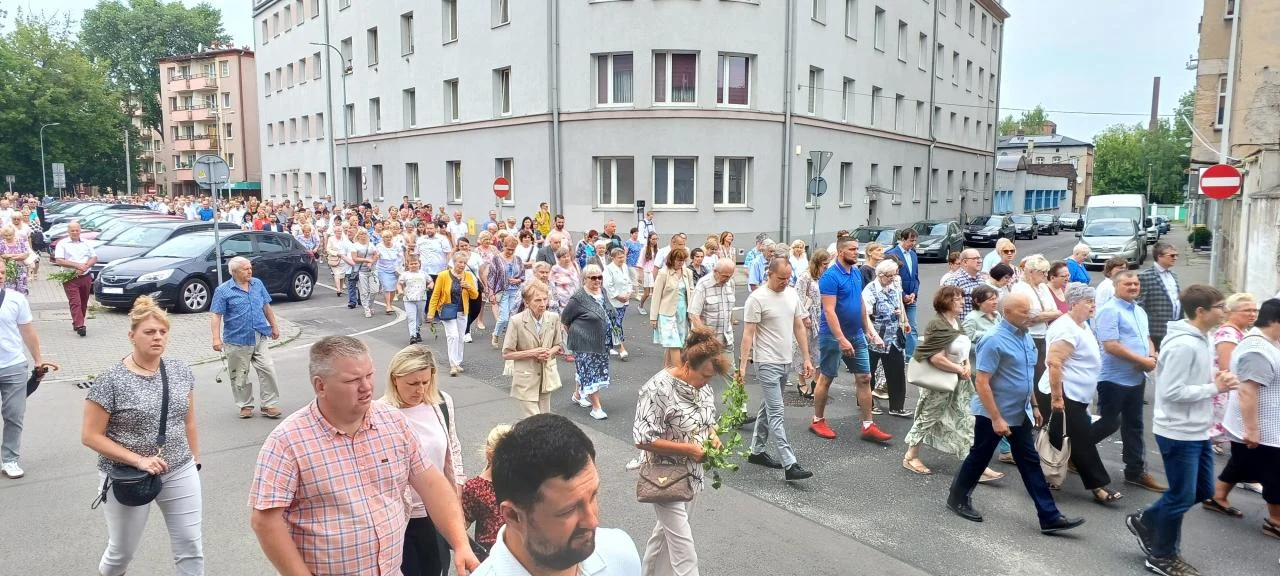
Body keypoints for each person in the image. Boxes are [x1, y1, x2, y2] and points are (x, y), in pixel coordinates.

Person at [250, 336, 479, 576]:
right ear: (320, 386)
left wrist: (460, 543)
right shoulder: (287, 442)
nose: (366, 387)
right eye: (352, 380)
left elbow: (432, 484)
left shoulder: (394, 422)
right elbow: (265, 521)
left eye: (369, 375)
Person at [946, 291, 1086, 534]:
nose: (1030, 315)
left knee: (1030, 462)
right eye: (1024, 311)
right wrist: (996, 418)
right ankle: (957, 498)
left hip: (1020, 413)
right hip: (993, 414)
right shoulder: (993, 339)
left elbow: (1026, 376)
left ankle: (1049, 516)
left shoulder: (1025, 336)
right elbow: (982, 382)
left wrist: (1034, 405)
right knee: (979, 457)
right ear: (1007, 312)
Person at [82, 296, 202, 575]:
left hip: (179, 468)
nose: (157, 337)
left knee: (190, 546)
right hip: (127, 475)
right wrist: (138, 460)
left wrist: (194, 461)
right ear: (132, 336)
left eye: (162, 331)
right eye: (149, 332)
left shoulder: (180, 371)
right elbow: (90, 436)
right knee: (121, 552)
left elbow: (189, 422)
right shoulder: (110, 380)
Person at [1126, 285, 1237, 576]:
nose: (1224, 311)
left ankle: (1147, 519)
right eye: (1220, 307)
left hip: (1198, 429)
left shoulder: (1205, 337)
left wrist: (1216, 379)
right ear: (1201, 311)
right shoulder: (1183, 345)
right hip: (1177, 431)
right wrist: (1215, 388)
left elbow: (1194, 379)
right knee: (1180, 497)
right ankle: (1162, 556)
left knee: (1202, 490)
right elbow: (1171, 391)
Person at [475, 413, 640, 576]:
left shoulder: (620, 555)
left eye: (593, 496)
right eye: (568, 510)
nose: (592, 521)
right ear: (513, 516)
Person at [633, 327, 730, 575]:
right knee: (683, 548)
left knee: (665, 537)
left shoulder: (703, 388)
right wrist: (688, 449)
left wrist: (713, 437)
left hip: (691, 473)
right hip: (663, 475)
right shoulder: (657, 388)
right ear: (687, 367)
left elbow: (707, 422)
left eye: (711, 377)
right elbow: (642, 438)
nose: (708, 382)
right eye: (705, 376)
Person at [382, 345, 467, 576]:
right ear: (395, 379)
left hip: (436, 514)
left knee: (436, 570)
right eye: (412, 383)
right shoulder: (380, 413)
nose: (420, 390)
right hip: (400, 519)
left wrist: (457, 490)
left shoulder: (442, 403)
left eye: (425, 382)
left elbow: (453, 447)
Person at [903, 287, 1000, 481]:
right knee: (928, 417)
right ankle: (910, 456)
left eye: (962, 298)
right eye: (957, 299)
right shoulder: (937, 324)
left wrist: (966, 365)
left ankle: (976, 466)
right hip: (940, 382)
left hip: (958, 380)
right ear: (946, 301)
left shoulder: (956, 322)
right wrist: (959, 369)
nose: (962, 302)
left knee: (966, 419)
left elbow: (962, 350)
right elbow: (935, 358)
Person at [1036, 284, 1123, 502]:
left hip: (1077, 394)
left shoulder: (1082, 324)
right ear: (1074, 304)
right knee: (1080, 438)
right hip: (1064, 393)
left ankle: (1047, 475)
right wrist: (1057, 398)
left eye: (1093, 301)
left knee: (1061, 436)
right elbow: (1054, 363)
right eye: (1088, 302)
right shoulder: (1066, 328)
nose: (1093, 305)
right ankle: (1098, 486)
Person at [739, 257, 815, 481]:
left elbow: (799, 326)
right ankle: (790, 464)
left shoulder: (791, 294)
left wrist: (806, 358)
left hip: (785, 361)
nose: (785, 282)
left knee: (769, 406)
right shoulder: (757, 298)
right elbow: (748, 334)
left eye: (788, 278)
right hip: (766, 362)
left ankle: (756, 451)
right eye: (781, 278)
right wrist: (742, 366)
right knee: (777, 412)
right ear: (769, 274)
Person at [1209, 298, 1280, 534]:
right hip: (1260, 424)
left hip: (1262, 422)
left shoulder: (1271, 341)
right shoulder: (1257, 350)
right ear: (1276, 320)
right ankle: (1276, 521)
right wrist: (1252, 429)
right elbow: (1247, 390)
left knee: (1242, 461)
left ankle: (1217, 496)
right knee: (1275, 471)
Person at [810, 236, 890, 442]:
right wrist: (841, 339)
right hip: (833, 336)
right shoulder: (830, 277)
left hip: (856, 334)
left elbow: (860, 303)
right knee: (826, 377)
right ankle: (817, 420)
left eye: (857, 249)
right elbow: (829, 311)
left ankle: (868, 425)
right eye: (852, 249)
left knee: (864, 377)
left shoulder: (855, 272)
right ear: (840, 252)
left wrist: (869, 330)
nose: (856, 252)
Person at [1093, 270, 1167, 493]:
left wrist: (1151, 356)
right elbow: (1111, 346)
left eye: (1136, 283)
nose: (1134, 287)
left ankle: (1135, 471)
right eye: (1128, 284)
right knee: (1108, 423)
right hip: (1113, 380)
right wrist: (1142, 361)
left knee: (1134, 425)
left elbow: (1147, 338)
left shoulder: (1139, 311)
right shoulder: (1109, 311)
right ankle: (1076, 450)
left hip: (1136, 378)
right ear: (1116, 286)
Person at [0, 262, 54, 479]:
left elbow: (28, 331)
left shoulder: (16, 299)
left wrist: (38, 360)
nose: (0, 276)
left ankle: (10, 460)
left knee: (14, 415)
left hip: (13, 366)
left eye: (2, 272)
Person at [210, 257, 282, 420]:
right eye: (245, 269)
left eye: (250, 268)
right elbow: (216, 315)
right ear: (234, 272)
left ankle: (269, 404)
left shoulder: (257, 284)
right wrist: (216, 338)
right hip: (237, 339)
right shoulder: (223, 290)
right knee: (240, 375)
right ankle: (245, 405)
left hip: (259, 335)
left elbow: (266, 307)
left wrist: (274, 326)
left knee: (268, 369)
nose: (250, 271)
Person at [562, 264, 618, 420]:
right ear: (584, 279)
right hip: (584, 344)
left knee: (587, 370)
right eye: (593, 278)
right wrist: (580, 335)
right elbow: (565, 320)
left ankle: (577, 395)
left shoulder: (602, 292)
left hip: (602, 343)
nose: (597, 280)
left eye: (600, 277)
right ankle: (596, 407)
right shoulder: (578, 298)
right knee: (590, 373)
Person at [502, 281, 564, 417]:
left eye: (545, 299)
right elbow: (507, 354)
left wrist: (549, 352)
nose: (542, 304)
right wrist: (533, 353)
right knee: (534, 419)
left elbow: (558, 345)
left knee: (545, 418)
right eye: (537, 300)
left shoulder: (553, 318)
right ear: (526, 302)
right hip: (526, 377)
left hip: (546, 376)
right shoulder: (516, 321)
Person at [1210, 293, 1258, 455]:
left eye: (1254, 310)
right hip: (1227, 392)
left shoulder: (1242, 332)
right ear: (1230, 312)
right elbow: (1227, 369)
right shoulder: (1228, 334)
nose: (1252, 314)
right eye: (1246, 310)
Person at [863, 259, 911, 417]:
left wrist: (904, 320)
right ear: (880, 275)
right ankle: (866, 403)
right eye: (889, 276)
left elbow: (899, 304)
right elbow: (865, 315)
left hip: (893, 337)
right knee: (868, 372)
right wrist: (873, 335)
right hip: (875, 338)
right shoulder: (870, 290)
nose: (893, 278)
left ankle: (897, 406)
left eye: (894, 274)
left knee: (897, 370)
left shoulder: (895, 284)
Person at [1010, 255, 1062, 387]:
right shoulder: (1020, 288)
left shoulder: (1043, 287)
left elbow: (1056, 311)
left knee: (1045, 371)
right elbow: (1029, 316)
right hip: (1029, 336)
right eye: (1042, 272)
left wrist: (1041, 315)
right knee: (1034, 372)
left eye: (1046, 272)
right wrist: (1045, 315)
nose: (1045, 275)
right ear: (1031, 272)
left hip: (1046, 335)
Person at [463, 424, 511, 555]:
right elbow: (459, 528)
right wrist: (475, 551)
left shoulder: (522, 483)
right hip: (490, 557)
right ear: (490, 454)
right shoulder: (476, 488)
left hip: (519, 557)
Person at [429, 252, 480, 377]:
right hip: (447, 310)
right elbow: (435, 295)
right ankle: (453, 364)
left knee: (461, 337)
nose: (462, 265)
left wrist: (469, 287)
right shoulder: (443, 275)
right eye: (460, 262)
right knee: (453, 336)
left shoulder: (468, 275)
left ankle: (457, 362)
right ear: (454, 262)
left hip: (463, 311)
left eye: (464, 263)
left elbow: (475, 296)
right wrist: (431, 313)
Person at [650, 247, 695, 369]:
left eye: (683, 260)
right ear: (672, 259)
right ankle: (679, 372)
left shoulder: (687, 272)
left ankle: (667, 370)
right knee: (673, 342)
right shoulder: (663, 273)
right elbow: (656, 296)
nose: (681, 263)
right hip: (667, 313)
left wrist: (693, 313)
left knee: (681, 342)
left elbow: (691, 292)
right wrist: (653, 317)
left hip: (683, 311)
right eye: (678, 260)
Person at [793, 250, 829, 398]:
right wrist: (804, 316)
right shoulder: (805, 276)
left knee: (819, 349)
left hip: (821, 316)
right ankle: (801, 381)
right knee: (804, 349)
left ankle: (816, 381)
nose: (826, 266)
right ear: (817, 263)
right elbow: (798, 297)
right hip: (808, 316)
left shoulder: (824, 276)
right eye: (824, 263)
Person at [53, 221, 96, 336]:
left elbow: (94, 257)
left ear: (80, 231)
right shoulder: (62, 243)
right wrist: (77, 266)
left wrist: (85, 266)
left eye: (77, 230)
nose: (75, 232)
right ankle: (80, 326)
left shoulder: (86, 243)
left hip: (85, 276)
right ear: (68, 231)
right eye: (72, 230)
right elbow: (59, 260)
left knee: (83, 302)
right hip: (70, 277)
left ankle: (77, 321)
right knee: (75, 302)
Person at [1138, 242, 1182, 352]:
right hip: (1156, 330)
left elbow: (1177, 301)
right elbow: (1140, 305)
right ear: (1159, 256)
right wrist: (1143, 330)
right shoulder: (1145, 276)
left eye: (1176, 255)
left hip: (1175, 328)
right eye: (1172, 255)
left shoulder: (1173, 275)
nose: (1175, 258)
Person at [885, 228, 921, 357]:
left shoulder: (913, 255)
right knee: (895, 327)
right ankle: (894, 355)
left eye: (915, 241)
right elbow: (890, 281)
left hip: (911, 299)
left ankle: (909, 357)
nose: (913, 243)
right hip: (897, 299)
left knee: (912, 327)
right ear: (902, 239)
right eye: (911, 240)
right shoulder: (892, 255)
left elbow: (915, 277)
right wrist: (903, 295)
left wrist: (914, 293)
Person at [491, 236, 525, 347]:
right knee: (503, 318)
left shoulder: (518, 259)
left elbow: (522, 275)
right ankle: (496, 334)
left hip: (515, 291)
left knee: (513, 317)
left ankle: (510, 341)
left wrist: (518, 280)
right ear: (503, 246)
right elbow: (491, 277)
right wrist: (491, 293)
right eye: (508, 249)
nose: (510, 251)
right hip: (503, 291)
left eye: (513, 249)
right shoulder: (496, 259)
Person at [602, 247, 632, 360]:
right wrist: (618, 296)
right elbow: (607, 285)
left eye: (623, 257)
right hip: (613, 302)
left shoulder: (625, 267)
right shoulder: (608, 269)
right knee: (616, 324)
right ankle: (621, 348)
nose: (622, 259)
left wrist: (628, 293)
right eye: (619, 257)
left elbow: (628, 281)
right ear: (613, 258)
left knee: (614, 323)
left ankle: (607, 343)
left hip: (624, 301)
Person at [346, 229, 378, 317]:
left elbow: (376, 254)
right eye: (362, 234)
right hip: (361, 271)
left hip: (372, 270)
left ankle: (370, 305)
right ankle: (366, 309)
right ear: (358, 235)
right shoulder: (355, 246)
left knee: (374, 290)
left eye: (365, 234)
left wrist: (371, 262)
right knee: (364, 291)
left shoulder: (371, 244)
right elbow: (354, 258)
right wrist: (366, 260)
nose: (364, 236)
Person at [944, 249, 986, 317]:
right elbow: (947, 308)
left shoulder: (981, 279)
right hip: (964, 323)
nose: (979, 261)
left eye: (979, 258)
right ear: (965, 262)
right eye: (975, 259)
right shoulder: (954, 281)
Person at [399, 258, 431, 344]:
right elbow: (399, 284)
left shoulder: (423, 274)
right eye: (411, 264)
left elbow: (431, 281)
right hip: (409, 299)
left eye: (415, 263)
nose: (414, 265)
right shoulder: (405, 274)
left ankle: (417, 332)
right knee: (411, 317)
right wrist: (400, 290)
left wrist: (430, 285)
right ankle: (412, 336)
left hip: (421, 298)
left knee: (419, 318)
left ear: (419, 264)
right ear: (408, 265)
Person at [0, 226, 30, 295]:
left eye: (10, 235)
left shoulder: (20, 241)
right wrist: (17, 255)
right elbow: (2, 256)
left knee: (21, 289)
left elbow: (25, 254)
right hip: (8, 270)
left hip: (20, 269)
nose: (8, 237)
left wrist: (9, 256)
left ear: (14, 234)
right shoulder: (1, 243)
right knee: (8, 290)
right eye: (6, 235)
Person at [637, 232, 660, 314]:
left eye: (656, 239)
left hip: (655, 272)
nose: (655, 241)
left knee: (655, 292)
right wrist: (640, 275)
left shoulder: (658, 250)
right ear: (649, 239)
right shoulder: (645, 249)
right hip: (646, 272)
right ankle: (640, 306)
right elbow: (640, 262)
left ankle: (655, 309)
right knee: (646, 293)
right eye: (653, 239)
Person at [325, 224, 348, 297]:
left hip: (343, 258)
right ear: (334, 232)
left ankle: (340, 288)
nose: (339, 232)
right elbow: (328, 249)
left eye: (340, 231)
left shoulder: (345, 238)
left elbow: (347, 247)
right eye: (337, 231)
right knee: (337, 274)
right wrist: (336, 253)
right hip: (334, 259)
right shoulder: (331, 239)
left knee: (342, 274)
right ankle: (338, 289)